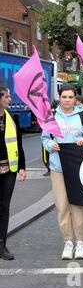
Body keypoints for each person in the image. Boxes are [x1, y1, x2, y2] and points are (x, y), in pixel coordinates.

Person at [41, 84, 83, 260]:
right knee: (62, 205)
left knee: (79, 205)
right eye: (64, 97)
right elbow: (45, 138)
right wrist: (50, 145)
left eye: (70, 97)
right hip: (58, 168)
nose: (67, 100)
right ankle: (68, 241)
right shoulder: (51, 117)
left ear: (75, 99)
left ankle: (81, 242)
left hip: (78, 168)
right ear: (60, 97)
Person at [0, 86, 26, 260]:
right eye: (7, 96)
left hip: (9, 170)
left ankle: (2, 245)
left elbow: (18, 144)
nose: (10, 99)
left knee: (4, 207)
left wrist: (22, 167)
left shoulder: (11, 117)